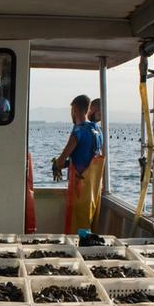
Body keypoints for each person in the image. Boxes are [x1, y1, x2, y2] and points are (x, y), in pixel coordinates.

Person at [52, 94, 105, 234]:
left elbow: (63, 157)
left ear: (75, 110)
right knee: (90, 225)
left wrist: (57, 165)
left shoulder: (78, 131)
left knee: (79, 227)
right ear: (88, 109)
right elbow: (87, 157)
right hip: (95, 188)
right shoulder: (98, 131)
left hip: (81, 188)